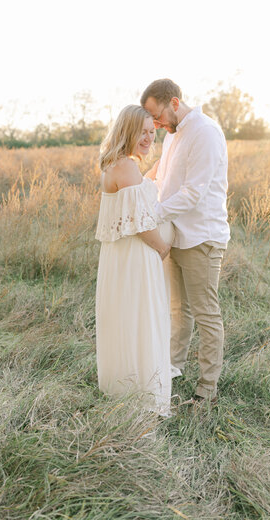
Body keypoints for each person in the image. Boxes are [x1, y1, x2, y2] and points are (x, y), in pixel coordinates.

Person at [141, 79, 230, 403]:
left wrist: (152, 215)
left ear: (174, 102)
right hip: (176, 235)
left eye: (157, 115)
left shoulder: (204, 132)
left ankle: (207, 391)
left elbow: (193, 192)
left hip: (202, 237)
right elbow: (162, 175)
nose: (155, 124)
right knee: (179, 310)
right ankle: (172, 369)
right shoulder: (172, 135)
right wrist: (134, 187)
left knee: (206, 313)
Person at [95, 104, 174, 416]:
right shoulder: (125, 166)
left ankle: (124, 389)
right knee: (140, 317)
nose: (148, 137)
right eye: (142, 131)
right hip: (134, 256)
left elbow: (137, 196)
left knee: (129, 318)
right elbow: (140, 222)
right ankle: (141, 395)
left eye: (152, 132)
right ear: (127, 130)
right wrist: (163, 248)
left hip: (123, 256)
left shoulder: (121, 164)